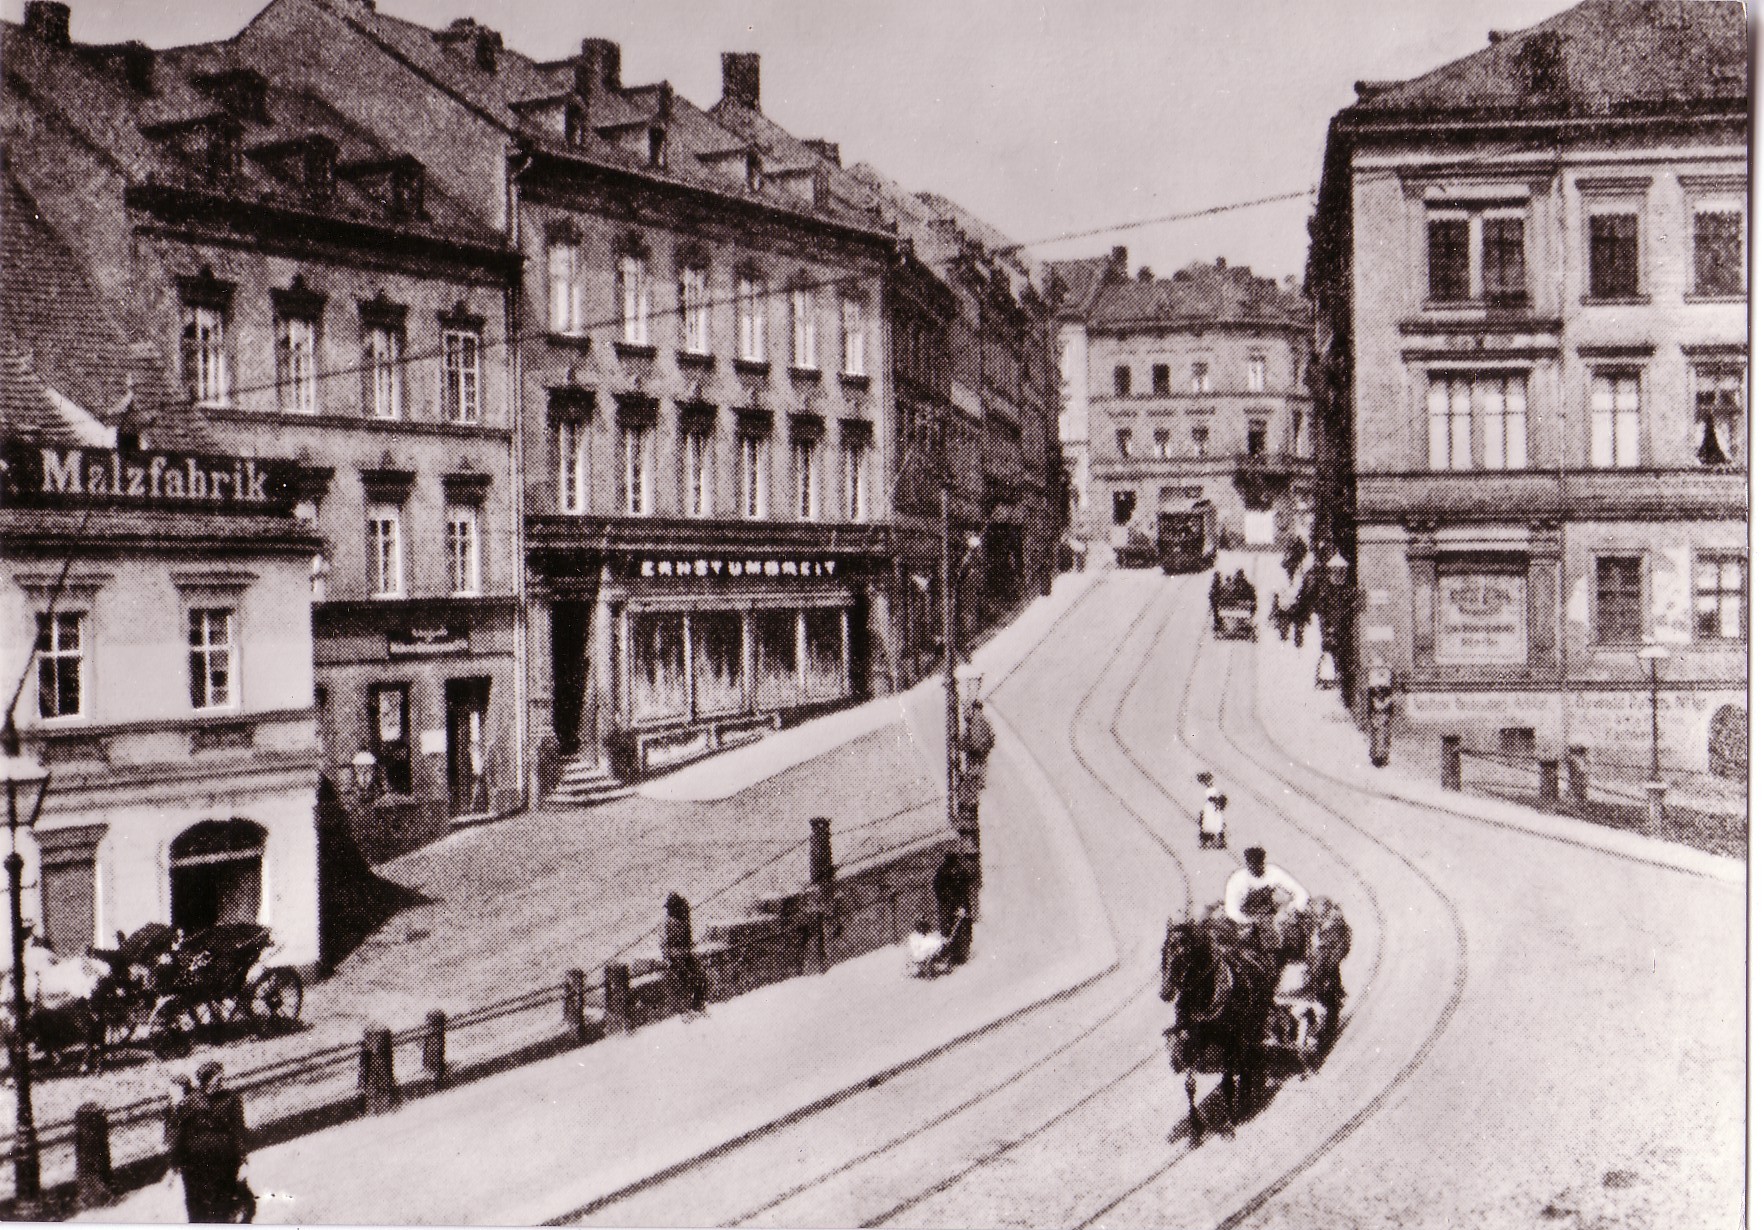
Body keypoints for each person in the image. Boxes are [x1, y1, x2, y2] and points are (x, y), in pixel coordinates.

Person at [170, 1061, 252, 1223]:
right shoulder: (189, 1102)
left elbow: (238, 1132)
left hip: (225, 1162)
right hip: (195, 1166)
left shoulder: (231, 1100)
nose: (220, 1083)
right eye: (216, 1080)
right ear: (205, 1081)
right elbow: (179, 1135)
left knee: (223, 1205)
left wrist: (243, 1160)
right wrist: (175, 1165)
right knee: (197, 1208)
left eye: (221, 1080)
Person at [1224, 847, 1310, 955]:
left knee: (1287, 939)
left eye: (1259, 863)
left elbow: (1301, 893)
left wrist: (1291, 909)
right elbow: (1231, 908)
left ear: (1263, 861)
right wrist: (1244, 920)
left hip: (1272, 917)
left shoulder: (1273, 872)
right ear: (1247, 863)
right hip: (1247, 919)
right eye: (1252, 864)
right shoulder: (1237, 879)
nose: (1255, 867)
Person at [662, 892, 710, 1016]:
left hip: (683, 955)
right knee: (688, 977)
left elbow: (684, 942)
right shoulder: (672, 923)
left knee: (700, 976)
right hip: (676, 958)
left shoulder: (679, 920)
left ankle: (697, 1007)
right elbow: (669, 946)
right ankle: (689, 1009)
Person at [932, 851, 972, 966]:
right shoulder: (956, 871)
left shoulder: (944, 871)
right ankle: (957, 954)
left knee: (952, 930)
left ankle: (957, 954)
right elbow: (965, 889)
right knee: (955, 930)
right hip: (952, 906)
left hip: (950, 906)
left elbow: (937, 888)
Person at [1196, 771, 1227, 849]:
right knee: (1214, 825)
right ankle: (1216, 841)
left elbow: (1214, 798)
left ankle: (1214, 841)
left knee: (1212, 825)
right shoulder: (1212, 789)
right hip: (1212, 810)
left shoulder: (1211, 790)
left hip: (1212, 809)